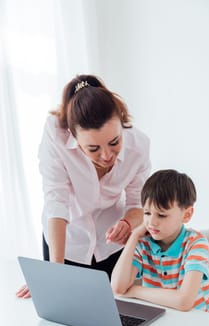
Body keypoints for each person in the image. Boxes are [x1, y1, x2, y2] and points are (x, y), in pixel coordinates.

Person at [16, 74, 151, 298]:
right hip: (66, 242)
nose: (106, 155)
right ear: (73, 136)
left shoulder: (140, 146)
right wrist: (53, 272)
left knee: (112, 315)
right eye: (93, 148)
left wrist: (128, 222)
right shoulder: (55, 134)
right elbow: (56, 202)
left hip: (110, 246)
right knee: (62, 309)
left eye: (114, 142)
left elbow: (138, 203)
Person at [111, 169, 209, 314]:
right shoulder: (143, 244)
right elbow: (118, 288)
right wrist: (134, 236)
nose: (151, 222)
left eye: (161, 215)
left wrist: (135, 291)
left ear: (187, 214)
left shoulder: (196, 243)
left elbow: (184, 301)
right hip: (165, 318)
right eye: (147, 213)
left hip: (203, 323)